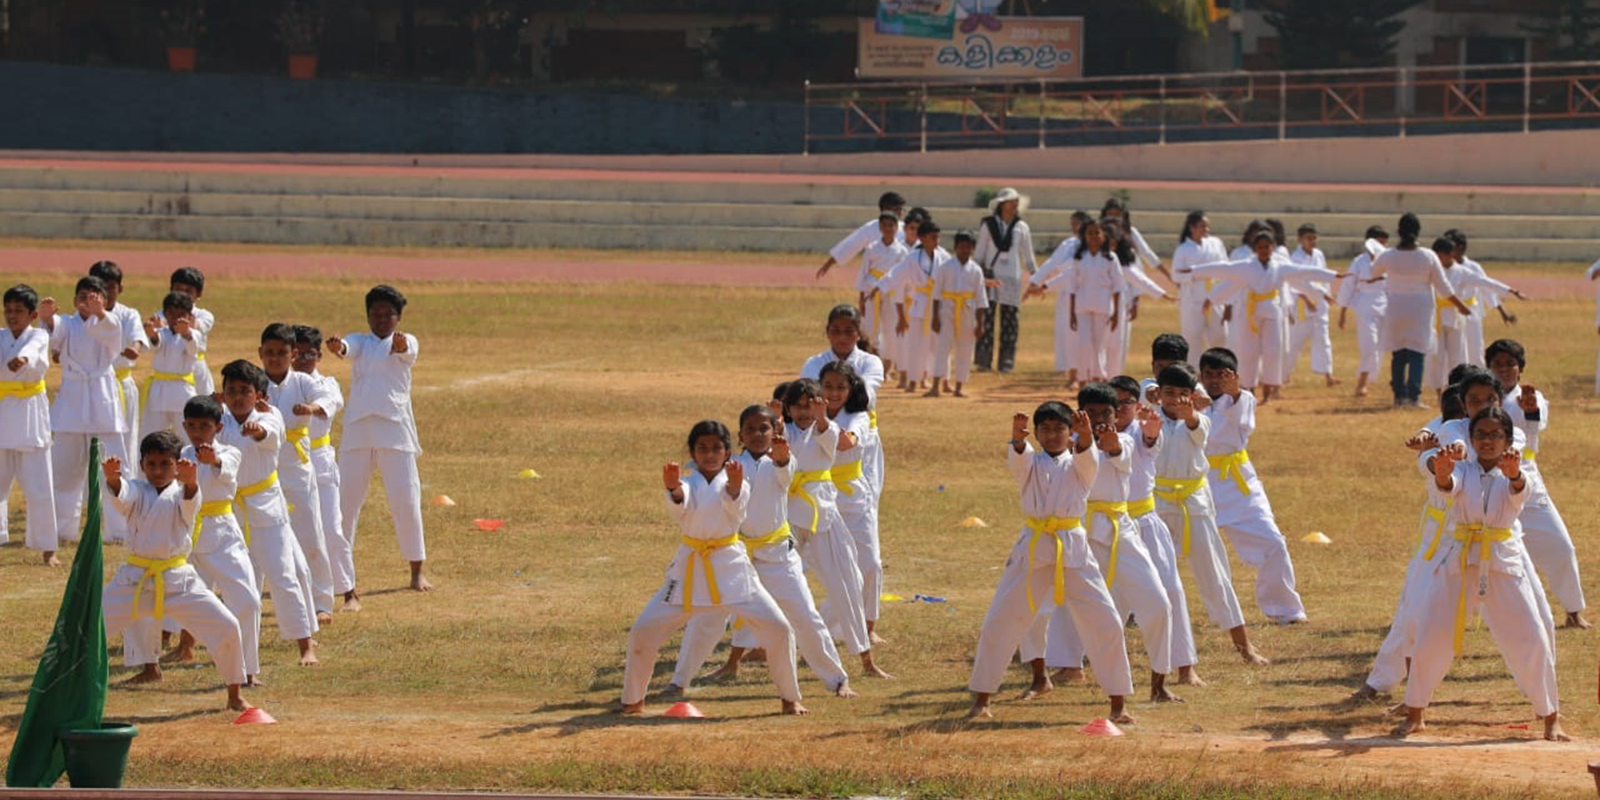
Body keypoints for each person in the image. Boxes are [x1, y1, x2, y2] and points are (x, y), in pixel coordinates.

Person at [1395, 407, 1565, 742]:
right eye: (1481, 435)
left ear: (1507, 439)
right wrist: (1442, 473)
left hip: (1503, 562)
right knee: (1432, 634)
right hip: (1458, 560)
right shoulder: (1462, 468)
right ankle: (1415, 713)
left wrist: (1514, 474)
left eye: (1495, 435)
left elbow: (1522, 489)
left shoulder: (1516, 470)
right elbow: (1448, 485)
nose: (1487, 441)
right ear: (1471, 440)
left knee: (1531, 635)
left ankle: (1551, 717)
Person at [619, 419, 806, 716]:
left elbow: (736, 506)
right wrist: (672, 488)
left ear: (727, 451)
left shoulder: (739, 482)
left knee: (778, 628)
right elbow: (681, 503)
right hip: (690, 568)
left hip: (731, 569)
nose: (709, 454)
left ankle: (790, 698)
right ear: (692, 452)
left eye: (716, 448)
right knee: (643, 630)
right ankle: (632, 701)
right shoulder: (687, 482)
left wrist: (734, 486)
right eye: (702, 448)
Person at [667, 406, 855, 698]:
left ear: (776, 431)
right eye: (750, 429)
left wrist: (782, 459)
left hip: (777, 555)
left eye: (764, 428)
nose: (757, 434)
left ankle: (837, 680)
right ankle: (678, 682)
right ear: (740, 436)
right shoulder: (730, 467)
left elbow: (786, 472)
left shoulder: (781, 462)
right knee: (707, 618)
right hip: (734, 556)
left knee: (805, 616)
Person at [965, 401, 1133, 723]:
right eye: (1045, 429)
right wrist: (1017, 440)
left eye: (1060, 429)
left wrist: (1086, 437)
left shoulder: (1082, 463)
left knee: (1106, 621)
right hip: (1033, 547)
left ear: (1071, 433)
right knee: (1000, 620)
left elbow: (1087, 457)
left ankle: (1118, 704)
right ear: (1037, 433)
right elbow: (1019, 459)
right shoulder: (1029, 462)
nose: (1053, 435)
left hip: (1073, 549)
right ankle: (982, 699)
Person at [1043, 382, 1178, 704]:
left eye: (1107, 413)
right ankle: (1066, 666)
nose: (1100, 419)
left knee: (1158, 603)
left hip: (1121, 530)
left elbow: (1119, 453)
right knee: (1064, 603)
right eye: (1091, 413)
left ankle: (1159, 682)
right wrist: (1083, 439)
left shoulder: (1126, 442)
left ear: (1117, 415)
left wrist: (1111, 444)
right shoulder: (1067, 447)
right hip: (1080, 531)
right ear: (1079, 416)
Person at [100, 430, 250, 711]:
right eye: (151, 464)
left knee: (227, 626)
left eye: (165, 464)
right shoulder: (136, 489)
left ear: (177, 465)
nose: (158, 471)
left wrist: (191, 482)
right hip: (134, 579)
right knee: (86, 627)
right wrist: (112, 479)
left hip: (178, 581)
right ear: (142, 465)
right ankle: (61, 689)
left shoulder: (184, 493)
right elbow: (122, 495)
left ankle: (235, 693)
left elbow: (190, 503)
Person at [1353, 384, 1466, 700]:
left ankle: (1545, 701)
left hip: (1494, 537)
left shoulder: (1494, 435)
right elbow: (1430, 444)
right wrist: (1430, 450)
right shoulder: (1438, 440)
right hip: (1440, 538)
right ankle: (1386, 683)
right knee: (1413, 612)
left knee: (1528, 617)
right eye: (1453, 412)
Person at [1151, 362, 1269, 665]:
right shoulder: (1148, 421)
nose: (1176, 400)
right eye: (1169, 393)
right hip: (1157, 504)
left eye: (1183, 394)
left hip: (1194, 504)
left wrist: (1190, 413)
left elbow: (1195, 426)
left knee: (1215, 574)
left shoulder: (1201, 420)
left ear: (1193, 395)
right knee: (1148, 576)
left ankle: (1244, 646)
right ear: (1158, 394)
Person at [783, 378, 890, 678]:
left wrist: (821, 418)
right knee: (776, 583)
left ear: (820, 407)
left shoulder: (827, 429)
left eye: (810, 406)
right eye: (797, 407)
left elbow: (831, 439)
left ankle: (866, 659)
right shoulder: (782, 431)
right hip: (788, 519)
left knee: (850, 582)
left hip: (824, 517)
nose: (804, 412)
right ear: (789, 408)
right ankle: (754, 647)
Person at [327, 285, 431, 594]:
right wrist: (339, 346)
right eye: (376, 314)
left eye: (388, 314)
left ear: (398, 317)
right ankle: (339, 575)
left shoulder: (407, 340)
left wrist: (400, 345)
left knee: (405, 501)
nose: (382, 319)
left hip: (395, 430)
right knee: (344, 505)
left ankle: (417, 572)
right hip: (358, 429)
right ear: (368, 316)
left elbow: (406, 349)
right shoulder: (361, 341)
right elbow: (348, 347)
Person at [154, 396, 264, 686]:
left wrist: (212, 460)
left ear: (218, 427)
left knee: (248, 600)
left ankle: (248, 669)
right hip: (185, 533)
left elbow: (225, 466)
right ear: (184, 426)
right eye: (191, 426)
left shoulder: (230, 451)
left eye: (204, 426)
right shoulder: (178, 455)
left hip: (222, 533)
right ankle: (153, 658)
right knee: (164, 595)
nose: (197, 432)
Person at [217, 358, 320, 667]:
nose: (238, 397)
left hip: (266, 506)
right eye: (231, 391)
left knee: (283, 575)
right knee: (237, 583)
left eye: (245, 391)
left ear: (259, 395)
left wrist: (257, 431)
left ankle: (306, 645)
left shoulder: (270, 415)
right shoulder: (218, 420)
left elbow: (270, 435)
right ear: (223, 394)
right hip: (229, 509)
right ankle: (232, 650)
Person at [1198, 348, 1307, 625]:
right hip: (1196, 484)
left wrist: (1234, 392)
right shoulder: (1191, 399)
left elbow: (1242, 419)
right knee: (1158, 546)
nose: (1215, 381)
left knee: (1273, 542)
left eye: (1222, 375)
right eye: (1209, 375)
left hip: (1238, 485)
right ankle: (1137, 607)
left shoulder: (1243, 399)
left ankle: (1286, 609)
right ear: (1200, 376)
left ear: (1234, 376)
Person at [1486, 338, 1587, 628]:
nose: (1504, 370)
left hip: (1527, 484)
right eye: (1497, 364)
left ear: (1520, 368)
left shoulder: (1531, 397)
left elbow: (1537, 421)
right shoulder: (1480, 397)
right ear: (1488, 367)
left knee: (1561, 547)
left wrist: (1530, 410)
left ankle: (1573, 611)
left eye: (1510, 364)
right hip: (1489, 487)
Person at [1182, 230, 1338, 403]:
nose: (1264, 250)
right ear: (1255, 249)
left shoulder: (1280, 267)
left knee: (1273, 351)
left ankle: (1268, 391)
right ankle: (1249, 389)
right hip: (1250, 313)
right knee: (1249, 352)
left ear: (1272, 248)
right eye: (1260, 247)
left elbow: (1303, 273)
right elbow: (1224, 271)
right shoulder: (1247, 266)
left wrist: (1332, 276)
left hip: (1272, 313)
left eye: (1267, 247)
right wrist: (1196, 273)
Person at [42, 277, 129, 546]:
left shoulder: (111, 322)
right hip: (71, 400)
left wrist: (99, 313)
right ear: (73, 300)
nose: (87, 302)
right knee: (65, 470)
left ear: (104, 301)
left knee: (113, 468)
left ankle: (118, 530)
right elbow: (53, 338)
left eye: (94, 297)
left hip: (102, 398)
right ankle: (62, 530)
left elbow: (111, 335)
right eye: (82, 296)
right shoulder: (67, 323)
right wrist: (47, 319)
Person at [260, 323, 336, 622]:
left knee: (310, 534)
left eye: (282, 353)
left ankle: (322, 600)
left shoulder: (303, 381)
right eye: (270, 352)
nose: (275, 358)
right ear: (261, 353)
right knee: (256, 536)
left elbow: (326, 397)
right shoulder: (254, 381)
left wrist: (312, 408)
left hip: (297, 468)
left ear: (293, 355)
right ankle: (254, 597)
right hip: (261, 470)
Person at [1368, 213, 1470, 408]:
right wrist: (1460, 305)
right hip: (1421, 309)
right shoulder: (1427, 255)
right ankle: (1413, 397)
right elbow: (1443, 286)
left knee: (1398, 353)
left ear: (1399, 231)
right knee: (1417, 352)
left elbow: (1373, 273)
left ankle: (1399, 396)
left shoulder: (1388, 255)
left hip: (1396, 306)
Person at [293, 326, 352, 613]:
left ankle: (348, 590)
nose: (303, 360)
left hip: (319, 457)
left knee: (330, 527)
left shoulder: (327, 383)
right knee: (294, 530)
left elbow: (331, 403)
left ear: (319, 356)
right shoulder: (281, 384)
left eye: (310, 354)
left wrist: (311, 408)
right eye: (298, 354)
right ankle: (302, 591)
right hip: (290, 460)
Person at [0, 284, 58, 565]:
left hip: (30, 416)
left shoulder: (39, 336)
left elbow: (33, 351)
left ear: (33, 315)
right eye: (8, 310)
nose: (12, 316)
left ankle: (48, 548)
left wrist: (23, 359)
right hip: (2, 413)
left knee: (39, 486)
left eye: (19, 311)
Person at [87, 261, 148, 494]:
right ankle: (91, 497)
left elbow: (137, 337)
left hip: (120, 384)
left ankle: (125, 495)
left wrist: (134, 347)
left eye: (111, 287)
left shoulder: (128, 314)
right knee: (90, 440)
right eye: (100, 287)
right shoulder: (84, 315)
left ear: (120, 289)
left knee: (125, 440)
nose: (106, 292)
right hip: (92, 386)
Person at [877, 222, 946, 394]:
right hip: (919, 304)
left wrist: (982, 281)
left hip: (938, 305)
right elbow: (895, 274)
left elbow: (955, 272)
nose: (936, 240)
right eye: (932, 237)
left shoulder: (943, 256)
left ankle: (941, 380)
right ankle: (913, 380)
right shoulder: (913, 258)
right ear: (922, 238)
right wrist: (878, 287)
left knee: (939, 345)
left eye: (938, 237)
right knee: (916, 345)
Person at [1025, 210, 1091, 388]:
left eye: (1077, 223)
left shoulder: (1091, 247)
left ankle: (1089, 374)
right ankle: (1073, 374)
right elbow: (1051, 263)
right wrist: (1035, 281)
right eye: (1072, 224)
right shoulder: (1068, 244)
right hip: (1065, 293)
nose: (1074, 227)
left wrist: (1044, 286)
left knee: (1086, 337)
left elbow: (1071, 272)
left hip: (1085, 294)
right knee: (1067, 335)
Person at [973, 187, 1035, 373]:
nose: (1014, 204)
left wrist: (1036, 276)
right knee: (987, 319)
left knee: (1010, 321)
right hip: (991, 275)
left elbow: (1028, 256)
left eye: (1016, 201)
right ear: (1001, 204)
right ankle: (983, 360)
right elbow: (979, 253)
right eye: (1010, 201)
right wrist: (976, 275)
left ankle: (1006, 361)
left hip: (1012, 278)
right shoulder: (989, 225)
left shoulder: (1021, 227)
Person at [928, 231, 990, 398]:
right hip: (947, 310)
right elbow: (936, 295)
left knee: (965, 349)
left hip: (967, 311)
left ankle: (959, 386)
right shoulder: (945, 267)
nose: (965, 250)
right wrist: (935, 317)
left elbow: (981, 299)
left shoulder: (976, 270)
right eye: (962, 246)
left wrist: (980, 323)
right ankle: (936, 385)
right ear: (956, 247)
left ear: (973, 249)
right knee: (942, 347)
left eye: (968, 247)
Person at [139, 292, 203, 443]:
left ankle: (190, 458)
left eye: (181, 315)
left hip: (182, 390)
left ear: (189, 316)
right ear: (165, 315)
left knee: (187, 435)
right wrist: (151, 334)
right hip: (159, 391)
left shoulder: (194, 334)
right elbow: (156, 344)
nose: (175, 319)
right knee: (150, 433)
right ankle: (145, 458)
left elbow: (193, 349)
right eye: (171, 314)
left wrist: (186, 334)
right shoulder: (162, 332)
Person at [1170, 211, 1230, 367]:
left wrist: (1198, 271)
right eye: (1202, 226)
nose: (1206, 229)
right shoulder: (1183, 249)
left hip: (1215, 298)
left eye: (1207, 226)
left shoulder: (1216, 243)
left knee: (1220, 336)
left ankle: (1218, 369)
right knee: (1193, 338)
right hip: (1192, 301)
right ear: (1192, 227)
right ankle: (1193, 373)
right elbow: (1176, 275)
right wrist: (1196, 275)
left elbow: (1225, 267)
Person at [1336, 225, 1390, 398]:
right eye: (1379, 242)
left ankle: (1372, 379)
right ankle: (1361, 383)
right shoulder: (1359, 262)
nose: (1382, 246)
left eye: (1385, 243)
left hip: (1385, 305)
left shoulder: (1388, 260)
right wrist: (1342, 312)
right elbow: (1348, 286)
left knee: (1380, 346)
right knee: (1369, 344)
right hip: (1365, 304)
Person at [1068, 217, 1124, 382]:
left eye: (1096, 232)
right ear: (1084, 236)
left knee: (1099, 345)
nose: (1093, 236)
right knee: (1083, 344)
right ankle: (1082, 378)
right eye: (1090, 233)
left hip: (1103, 306)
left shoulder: (1111, 258)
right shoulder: (1079, 258)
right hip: (1082, 306)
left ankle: (1098, 378)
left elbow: (1118, 287)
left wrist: (1116, 313)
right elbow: (1072, 287)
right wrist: (1071, 313)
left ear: (1103, 236)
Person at [1286, 224, 1338, 388]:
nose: (1312, 241)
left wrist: (1326, 295)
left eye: (1314, 238)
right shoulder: (1295, 257)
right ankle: (1284, 376)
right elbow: (1294, 282)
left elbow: (1323, 277)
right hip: (1301, 305)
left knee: (1323, 340)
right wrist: (1307, 300)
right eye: (1308, 238)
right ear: (1300, 239)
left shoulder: (1319, 255)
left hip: (1320, 304)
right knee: (1294, 343)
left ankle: (1328, 376)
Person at [857, 212, 909, 364]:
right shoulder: (872, 248)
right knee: (870, 326)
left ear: (896, 228)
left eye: (891, 225)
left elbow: (903, 276)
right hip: (871, 289)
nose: (888, 228)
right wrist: (861, 298)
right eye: (885, 225)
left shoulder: (901, 251)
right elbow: (863, 272)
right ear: (880, 227)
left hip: (891, 292)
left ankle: (887, 364)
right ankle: (870, 359)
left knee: (890, 328)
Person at [817, 192, 906, 280]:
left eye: (901, 209)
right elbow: (850, 246)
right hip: (875, 279)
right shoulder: (870, 228)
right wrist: (828, 264)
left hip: (899, 279)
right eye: (897, 209)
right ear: (885, 209)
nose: (900, 212)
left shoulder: (905, 228)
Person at [167, 267, 216, 396]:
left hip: (196, 367)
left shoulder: (204, 315)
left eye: (188, 291)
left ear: (199, 294)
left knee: (203, 404)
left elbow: (197, 325)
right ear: (171, 290)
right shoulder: (162, 314)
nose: (182, 295)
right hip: (170, 369)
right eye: (178, 289)